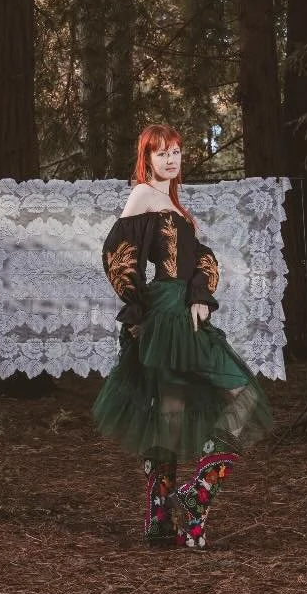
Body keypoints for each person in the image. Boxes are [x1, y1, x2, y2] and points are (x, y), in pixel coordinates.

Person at [92, 124, 274, 548]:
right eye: (161, 153)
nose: (171, 159)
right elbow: (117, 253)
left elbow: (201, 259)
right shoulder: (142, 195)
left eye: (176, 151)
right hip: (166, 316)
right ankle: (182, 507)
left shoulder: (171, 202)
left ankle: (174, 513)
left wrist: (199, 293)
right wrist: (137, 308)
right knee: (209, 403)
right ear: (147, 158)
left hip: (183, 313)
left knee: (185, 411)